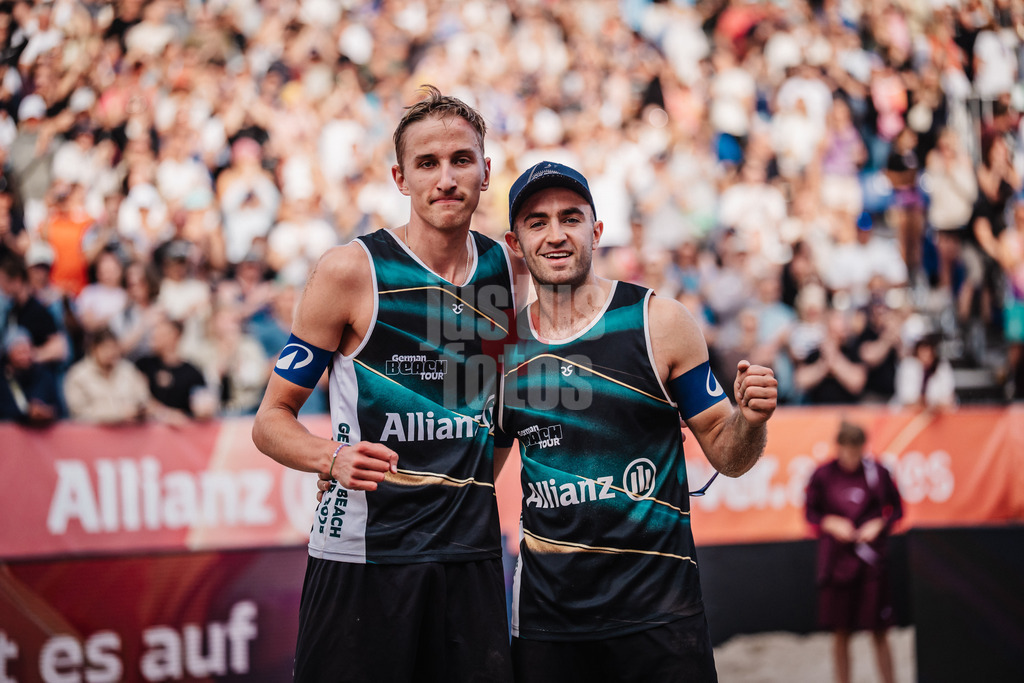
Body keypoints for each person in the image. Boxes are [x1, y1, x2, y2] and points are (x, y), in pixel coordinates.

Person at [254, 86, 526, 682]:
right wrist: (332, 459)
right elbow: (270, 421)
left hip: (469, 555)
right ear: (402, 178)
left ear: (487, 171)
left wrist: (463, 486)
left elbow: (504, 414)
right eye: (427, 164)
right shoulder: (351, 270)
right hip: (363, 555)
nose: (446, 178)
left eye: (461, 160)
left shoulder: (510, 270)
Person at [496, 161, 778, 682]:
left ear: (596, 231)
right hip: (548, 625)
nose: (555, 234)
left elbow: (728, 453)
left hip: (661, 617)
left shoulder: (659, 323)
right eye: (537, 222)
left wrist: (752, 420)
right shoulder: (501, 353)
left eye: (570, 218)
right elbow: (471, 479)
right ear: (515, 243)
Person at [805, 421, 903, 683]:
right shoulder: (823, 475)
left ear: (863, 448)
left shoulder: (877, 472)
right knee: (841, 632)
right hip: (837, 563)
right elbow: (810, 514)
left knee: (880, 631)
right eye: (846, 450)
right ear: (838, 447)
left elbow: (897, 510)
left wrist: (879, 523)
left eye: (856, 450)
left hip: (871, 563)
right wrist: (830, 523)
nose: (851, 456)